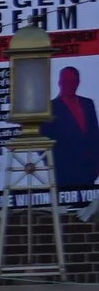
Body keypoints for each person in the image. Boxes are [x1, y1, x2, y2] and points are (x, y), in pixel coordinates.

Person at [49, 65, 98, 195]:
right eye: (66, 81)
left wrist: (96, 164)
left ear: (78, 83)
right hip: (63, 172)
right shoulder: (51, 107)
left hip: (88, 170)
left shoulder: (87, 104)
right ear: (60, 82)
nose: (69, 85)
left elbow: (95, 135)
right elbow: (44, 139)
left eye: (72, 81)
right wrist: (54, 164)